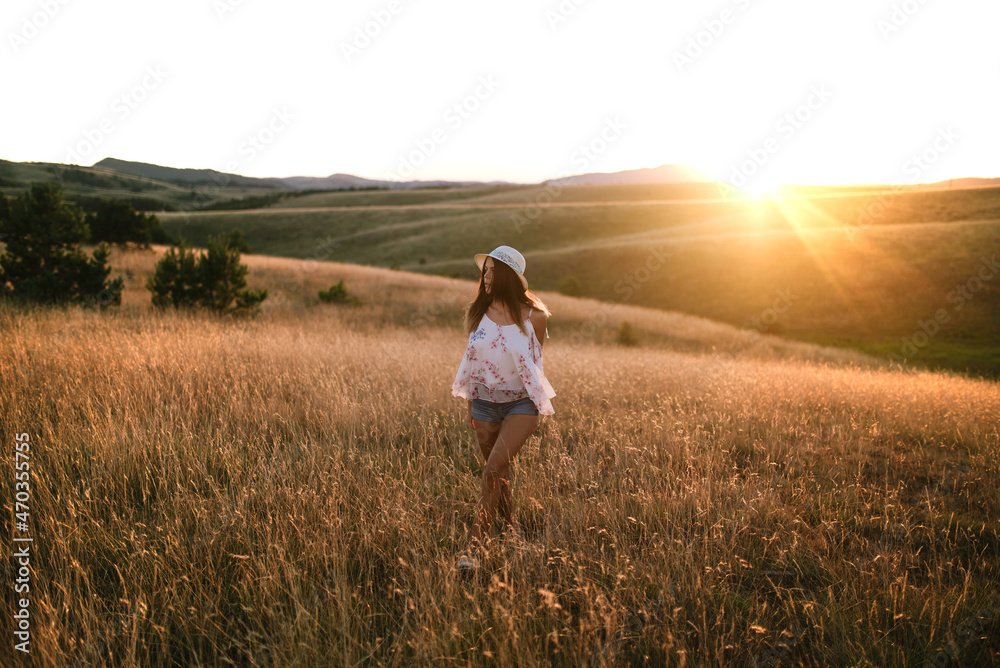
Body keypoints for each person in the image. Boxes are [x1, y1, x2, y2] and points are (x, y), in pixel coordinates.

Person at [451, 245, 556, 571]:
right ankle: (513, 532)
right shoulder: (477, 311)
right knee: (500, 477)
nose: (486, 277)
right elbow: (474, 360)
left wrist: (536, 403)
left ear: (509, 277)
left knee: (491, 472)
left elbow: (535, 365)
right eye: (485, 271)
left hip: (521, 404)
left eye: (494, 272)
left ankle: (471, 551)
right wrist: (471, 402)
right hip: (483, 403)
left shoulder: (534, 317)